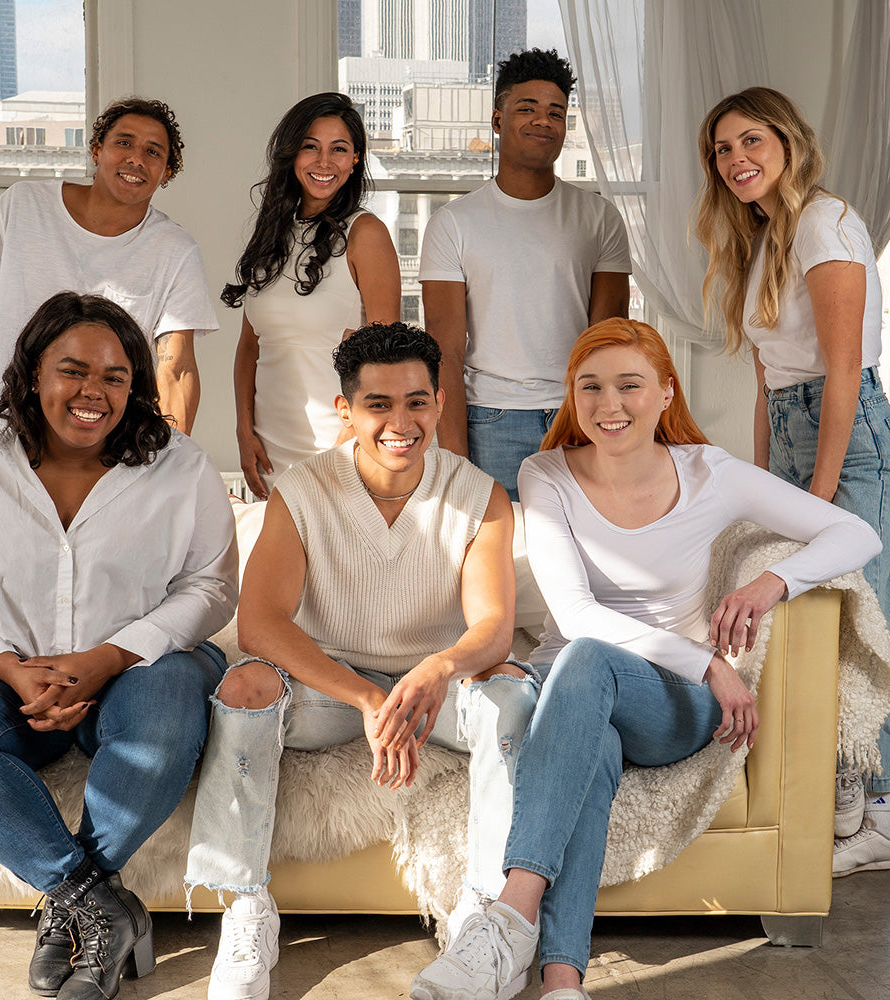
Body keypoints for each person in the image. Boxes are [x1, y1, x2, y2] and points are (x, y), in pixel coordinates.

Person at [411, 317, 880, 1000]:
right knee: (589, 736)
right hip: (573, 692)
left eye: (630, 385)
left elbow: (856, 533)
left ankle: (509, 913)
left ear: (665, 393)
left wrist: (769, 584)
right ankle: (563, 980)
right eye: (591, 387)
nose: (610, 405)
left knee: (589, 660)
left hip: (670, 699)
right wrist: (710, 662)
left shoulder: (710, 473)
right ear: (572, 396)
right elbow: (573, 617)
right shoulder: (545, 472)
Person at [185, 322, 538, 1000]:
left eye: (416, 402)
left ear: (439, 402)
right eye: (379, 404)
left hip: (431, 689)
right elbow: (259, 624)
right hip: (331, 689)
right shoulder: (303, 490)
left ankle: (482, 914)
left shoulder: (479, 495)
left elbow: (493, 628)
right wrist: (369, 700)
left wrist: (436, 670)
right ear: (345, 410)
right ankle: (245, 905)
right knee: (244, 685)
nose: (400, 422)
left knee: (513, 697)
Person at [0, 292, 238, 1000]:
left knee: (169, 708)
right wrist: (7, 668)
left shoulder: (179, 466)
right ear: (31, 375)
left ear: (135, 386)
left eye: (115, 377)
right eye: (73, 370)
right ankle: (94, 901)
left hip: (142, 668)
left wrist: (108, 658)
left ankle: (72, 910)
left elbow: (211, 588)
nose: (94, 392)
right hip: (6, 671)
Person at [695, 86, 890, 870]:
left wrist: (821, 482)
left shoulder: (822, 221)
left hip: (842, 431)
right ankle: (843, 784)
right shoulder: (763, 236)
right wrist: (757, 483)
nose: (736, 159)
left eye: (750, 141)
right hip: (790, 426)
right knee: (811, 617)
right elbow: (768, 380)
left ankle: (877, 804)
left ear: (788, 141)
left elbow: (844, 366)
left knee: (865, 614)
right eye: (722, 150)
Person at [419, 48, 631, 500]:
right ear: (498, 120)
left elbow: (609, 338)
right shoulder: (453, 223)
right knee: (500, 561)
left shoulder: (599, 218)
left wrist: (610, 426)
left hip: (578, 416)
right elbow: (445, 351)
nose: (543, 122)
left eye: (556, 112)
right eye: (527, 109)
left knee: (588, 555)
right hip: (489, 420)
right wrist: (454, 461)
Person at [0, 97, 219, 437]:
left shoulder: (175, 250)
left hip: (98, 446)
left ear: (167, 172)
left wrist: (172, 463)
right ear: (97, 150)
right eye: (124, 142)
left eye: (153, 151)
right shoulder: (22, 207)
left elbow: (176, 368)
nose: (135, 158)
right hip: (1, 429)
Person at [223, 92, 401, 499]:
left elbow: (385, 358)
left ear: (355, 159)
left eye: (339, 149)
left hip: (339, 450)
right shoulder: (270, 234)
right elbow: (250, 348)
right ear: (291, 154)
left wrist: (347, 442)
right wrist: (243, 430)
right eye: (310, 147)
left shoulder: (365, 233)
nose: (324, 163)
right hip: (268, 452)